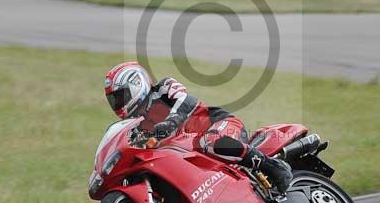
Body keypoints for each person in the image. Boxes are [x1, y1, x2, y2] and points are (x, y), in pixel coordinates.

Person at [104, 61, 293, 193]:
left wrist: (170, 122)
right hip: (194, 154)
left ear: (136, 83)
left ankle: (274, 167)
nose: (118, 104)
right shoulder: (139, 125)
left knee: (210, 142)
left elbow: (186, 102)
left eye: (120, 97)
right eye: (114, 100)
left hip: (217, 124)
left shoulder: (163, 88)